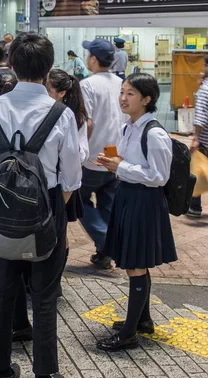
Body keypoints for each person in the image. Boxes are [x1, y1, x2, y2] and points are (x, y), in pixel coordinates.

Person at [0, 32, 81, 378]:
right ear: (48, 67)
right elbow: (71, 177)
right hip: (47, 212)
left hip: (2, 209)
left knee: (3, 292)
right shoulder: (61, 113)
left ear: (12, 64)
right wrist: (56, 213)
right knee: (45, 296)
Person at [96, 73, 177, 351]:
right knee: (137, 262)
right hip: (129, 196)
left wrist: (120, 167)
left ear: (147, 99)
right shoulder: (128, 127)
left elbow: (159, 176)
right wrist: (115, 165)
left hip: (145, 200)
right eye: (122, 92)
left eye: (130, 94)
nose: (123, 98)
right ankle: (143, 321)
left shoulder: (154, 133)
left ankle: (129, 332)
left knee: (135, 265)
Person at [79, 38, 123, 269]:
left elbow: (87, 123)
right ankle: (104, 253)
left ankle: (107, 244)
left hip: (93, 156)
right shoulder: (120, 83)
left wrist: (79, 153)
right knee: (108, 204)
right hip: (115, 156)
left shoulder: (87, 85)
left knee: (79, 199)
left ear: (94, 59)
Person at [45, 69, 89, 270]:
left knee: (59, 230)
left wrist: (65, 153)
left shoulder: (73, 116)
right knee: (52, 230)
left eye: (48, 88)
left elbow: (82, 153)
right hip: (50, 181)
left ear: (61, 93)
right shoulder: (45, 111)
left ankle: (55, 277)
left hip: (66, 183)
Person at [189, 55, 208, 217]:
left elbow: (201, 117)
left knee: (197, 170)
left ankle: (195, 207)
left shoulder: (205, 89)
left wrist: (195, 138)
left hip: (206, 140)